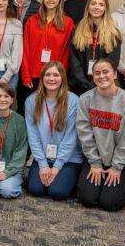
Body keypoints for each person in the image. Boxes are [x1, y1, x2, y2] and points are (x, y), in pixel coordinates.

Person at [76, 58, 125, 211]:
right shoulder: (85, 99)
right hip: (97, 158)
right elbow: (85, 134)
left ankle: (122, 184)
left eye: (106, 72)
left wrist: (117, 167)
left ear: (115, 74)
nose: (102, 76)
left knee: (109, 203)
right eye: (97, 73)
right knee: (87, 198)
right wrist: (95, 162)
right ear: (93, 77)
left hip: (122, 162)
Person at [25, 61, 84, 200]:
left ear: (62, 78)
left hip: (69, 158)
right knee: (35, 189)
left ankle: (72, 178)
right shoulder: (31, 101)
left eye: (56, 75)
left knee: (57, 192)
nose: (51, 79)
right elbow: (33, 136)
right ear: (42, 78)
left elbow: (71, 137)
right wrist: (43, 164)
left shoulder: (74, 101)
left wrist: (57, 166)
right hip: (43, 157)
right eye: (48, 75)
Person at [21, 0, 75, 96]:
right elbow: (26, 50)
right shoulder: (31, 21)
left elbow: (67, 53)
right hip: (34, 76)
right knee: (33, 110)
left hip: (54, 76)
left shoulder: (68, 23)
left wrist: (61, 75)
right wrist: (26, 76)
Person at [69, 0, 122, 96]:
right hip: (79, 87)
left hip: (105, 86)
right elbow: (74, 62)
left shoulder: (113, 34)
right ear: (88, 7)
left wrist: (96, 85)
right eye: (93, 4)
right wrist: (85, 85)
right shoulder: (77, 30)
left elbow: (112, 63)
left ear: (105, 9)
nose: (97, 7)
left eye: (101, 5)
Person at [10, 0, 41, 115]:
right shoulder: (4, 3)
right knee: (6, 94)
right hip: (8, 53)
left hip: (28, 55)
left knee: (24, 95)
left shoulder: (38, 7)